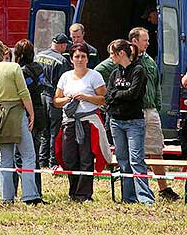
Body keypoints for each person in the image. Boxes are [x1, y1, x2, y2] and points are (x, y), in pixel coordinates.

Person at [0, 38, 42, 205]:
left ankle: (6, 198)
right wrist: (32, 114)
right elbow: (24, 93)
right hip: (16, 114)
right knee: (28, 155)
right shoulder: (14, 67)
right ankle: (30, 195)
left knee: (5, 158)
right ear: (3, 50)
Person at [129, 27, 180, 200]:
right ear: (134, 41)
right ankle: (136, 189)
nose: (148, 43)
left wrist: (156, 106)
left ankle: (163, 188)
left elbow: (156, 84)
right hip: (133, 112)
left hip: (150, 111)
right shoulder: (124, 58)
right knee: (135, 152)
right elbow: (101, 72)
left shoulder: (149, 60)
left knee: (156, 149)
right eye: (145, 40)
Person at [54, 43, 109, 202]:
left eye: (82, 56)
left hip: (88, 121)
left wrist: (86, 97)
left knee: (86, 159)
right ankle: (73, 192)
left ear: (87, 59)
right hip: (69, 122)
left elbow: (104, 99)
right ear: (71, 59)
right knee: (69, 158)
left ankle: (84, 195)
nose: (79, 59)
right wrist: (67, 99)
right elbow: (56, 100)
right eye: (76, 56)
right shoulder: (65, 76)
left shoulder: (95, 76)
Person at [105, 39, 155, 204]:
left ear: (121, 53)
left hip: (134, 121)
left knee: (136, 159)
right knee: (123, 160)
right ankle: (128, 197)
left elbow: (134, 94)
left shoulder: (138, 70)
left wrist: (117, 95)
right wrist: (119, 95)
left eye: (112, 53)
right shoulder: (114, 73)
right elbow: (108, 95)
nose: (111, 57)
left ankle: (145, 198)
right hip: (116, 121)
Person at [14, 39, 45, 196]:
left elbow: (26, 92)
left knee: (21, 156)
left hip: (27, 113)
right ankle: (36, 190)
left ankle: (24, 191)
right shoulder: (38, 67)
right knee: (34, 156)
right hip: (40, 112)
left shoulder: (22, 71)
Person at [35, 33, 70, 168]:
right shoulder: (61, 61)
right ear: (62, 45)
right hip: (53, 98)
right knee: (55, 131)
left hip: (40, 97)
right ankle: (53, 161)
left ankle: (41, 160)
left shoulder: (39, 55)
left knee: (44, 131)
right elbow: (64, 83)